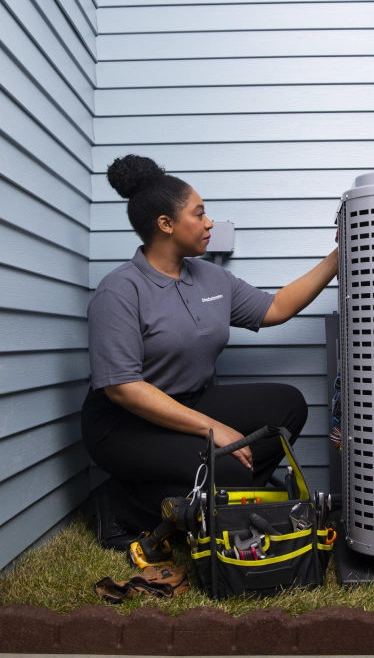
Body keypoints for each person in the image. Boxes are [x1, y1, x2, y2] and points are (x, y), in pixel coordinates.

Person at [82, 154, 338, 548]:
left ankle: (209, 500)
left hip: (189, 401)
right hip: (124, 423)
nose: (209, 223)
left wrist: (338, 256)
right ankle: (121, 505)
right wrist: (213, 429)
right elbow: (123, 388)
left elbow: (275, 307)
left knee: (287, 406)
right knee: (230, 472)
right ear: (165, 224)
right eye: (199, 214)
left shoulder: (209, 277)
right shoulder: (119, 290)